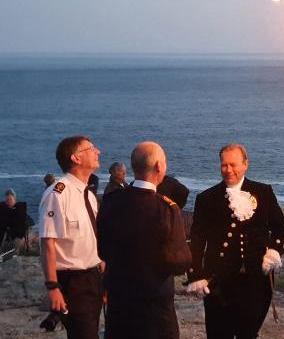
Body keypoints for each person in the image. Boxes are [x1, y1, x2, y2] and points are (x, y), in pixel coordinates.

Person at [188, 144, 284, 339]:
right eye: (224, 165)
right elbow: (197, 238)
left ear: (245, 165)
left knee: (248, 333)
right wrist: (195, 274)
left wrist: (274, 251)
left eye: (233, 165)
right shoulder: (206, 198)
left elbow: (280, 226)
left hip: (255, 281)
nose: (228, 170)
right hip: (219, 281)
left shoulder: (263, 192)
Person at [97, 142, 191, 339]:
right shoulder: (167, 209)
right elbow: (179, 262)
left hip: (119, 302)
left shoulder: (111, 201)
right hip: (154, 306)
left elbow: (102, 249)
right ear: (159, 166)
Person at [38, 135, 104, 339]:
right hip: (72, 281)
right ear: (76, 158)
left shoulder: (88, 195)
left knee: (91, 331)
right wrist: (53, 287)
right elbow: (48, 244)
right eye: (91, 149)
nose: (97, 151)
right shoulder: (57, 194)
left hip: (93, 278)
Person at [0, 188, 28, 253]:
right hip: (7, 235)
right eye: (7, 200)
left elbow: (18, 223)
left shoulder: (20, 209)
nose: (9, 201)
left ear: (15, 200)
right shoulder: (3, 209)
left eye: (10, 200)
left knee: (16, 244)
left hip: (18, 236)